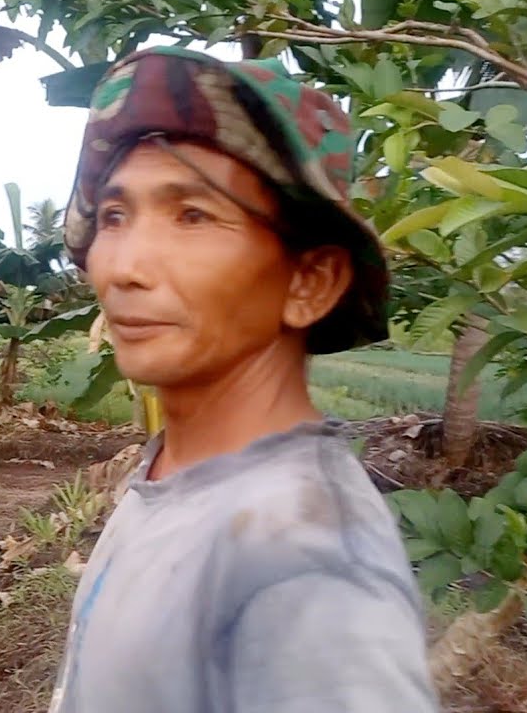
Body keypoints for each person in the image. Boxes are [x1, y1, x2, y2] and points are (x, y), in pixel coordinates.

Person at [47, 47, 439, 713]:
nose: (123, 268)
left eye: (193, 215)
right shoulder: (181, 471)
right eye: (115, 217)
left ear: (309, 281)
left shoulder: (308, 571)